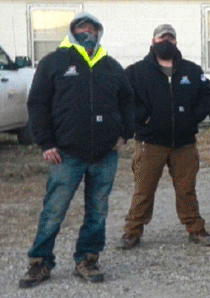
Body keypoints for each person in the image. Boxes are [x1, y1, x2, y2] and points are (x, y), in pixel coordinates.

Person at [20, 12, 133, 288]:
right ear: (72, 31)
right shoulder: (54, 62)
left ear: (99, 33)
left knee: (97, 211)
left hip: (104, 154)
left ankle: (87, 259)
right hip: (66, 154)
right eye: (82, 28)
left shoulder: (111, 65)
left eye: (92, 28)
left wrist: (124, 134)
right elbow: (37, 104)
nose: (87, 32)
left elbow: (129, 101)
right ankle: (40, 262)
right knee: (54, 210)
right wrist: (45, 143)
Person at [117, 24, 210, 249]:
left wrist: (193, 117)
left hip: (184, 143)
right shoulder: (136, 71)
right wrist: (144, 119)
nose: (166, 42)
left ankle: (195, 228)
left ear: (176, 42)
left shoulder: (191, 71)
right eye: (162, 38)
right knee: (143, 188)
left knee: (186, 189)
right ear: (153, 41)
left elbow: (208, 94)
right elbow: (125, 99)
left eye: (170, 39)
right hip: (150, 142)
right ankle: (132, 231)